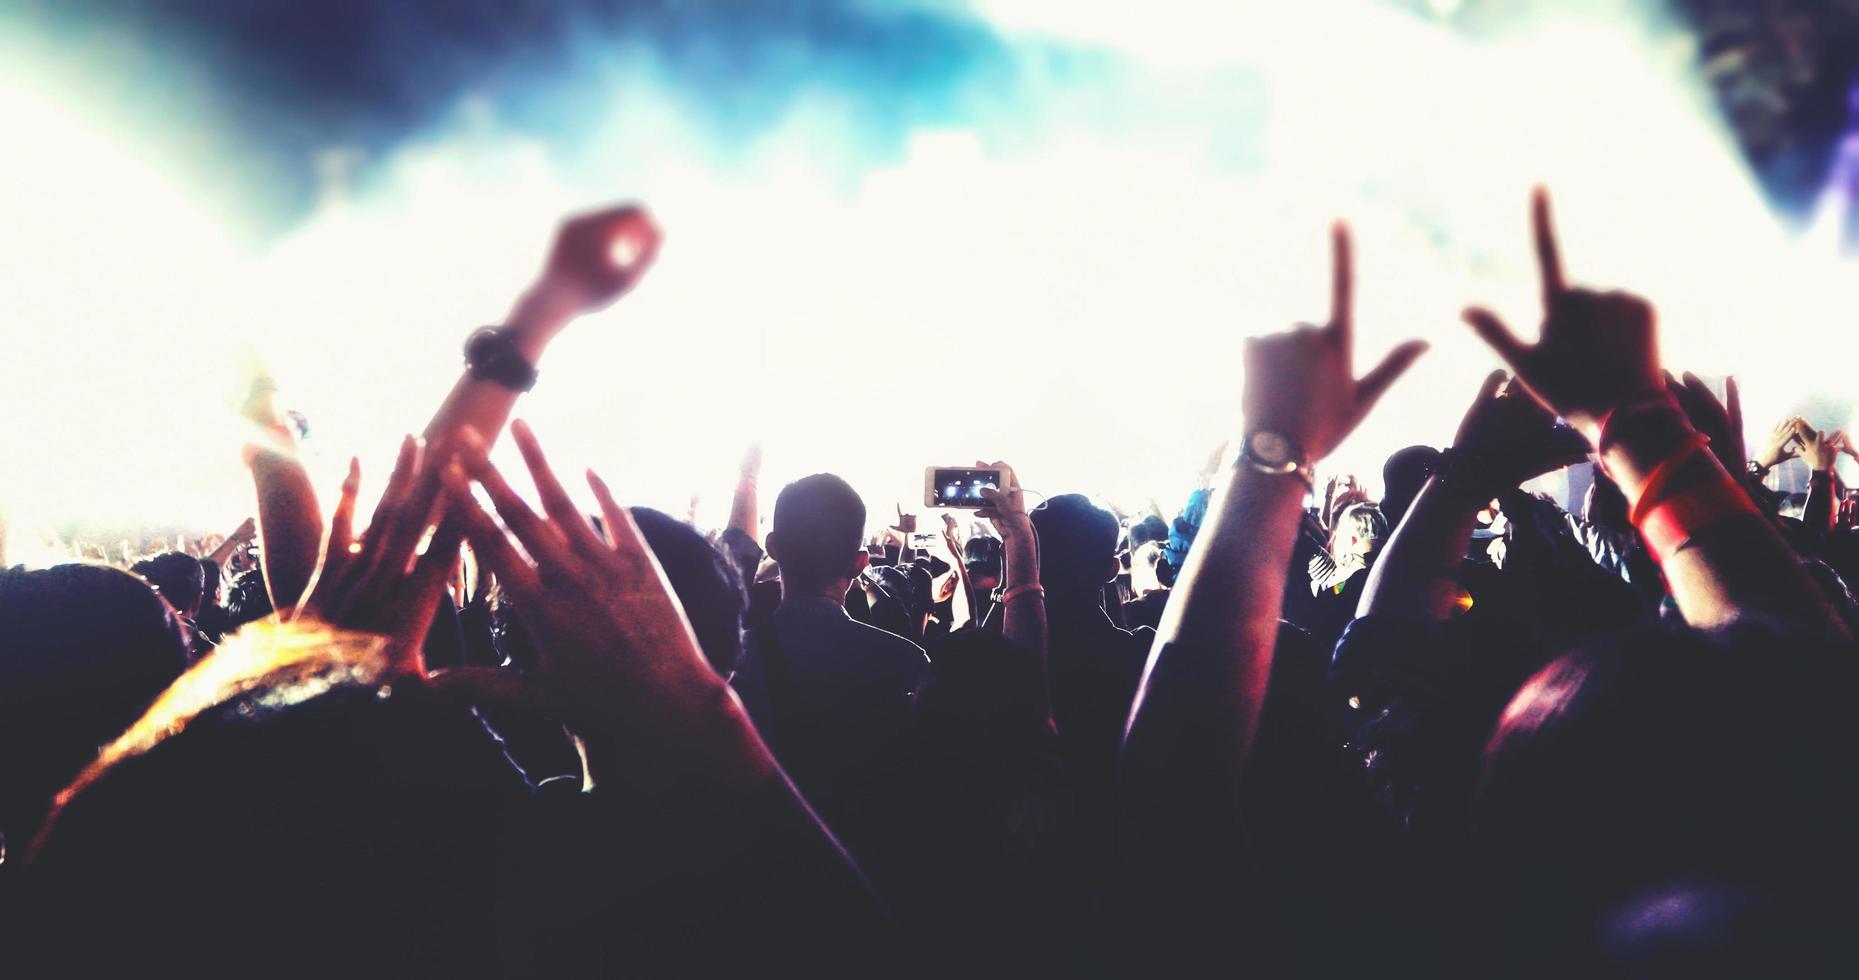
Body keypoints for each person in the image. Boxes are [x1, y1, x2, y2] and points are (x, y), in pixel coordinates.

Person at [729, 472, 932, 872]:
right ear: (860, 564)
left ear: (773, 548)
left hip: (760, 876)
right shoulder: (907, 663)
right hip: (872, 879)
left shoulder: (731, 662)